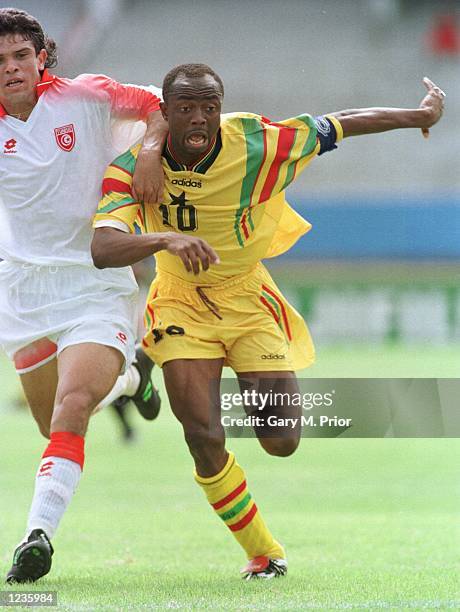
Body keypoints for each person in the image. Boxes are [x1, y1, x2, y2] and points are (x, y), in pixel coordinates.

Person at [91, 64, 445, 579]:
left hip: (246, 297)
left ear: (221, 107)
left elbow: (340, 122)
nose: (200, 118)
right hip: (180, 300)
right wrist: (165, 239)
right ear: (162, 115)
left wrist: (417, 115)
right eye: (185, 108)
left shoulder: (257, 141)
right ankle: (264, 552)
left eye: (209, 107)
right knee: (204, 435)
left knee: (281, 439)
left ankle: (149, 362)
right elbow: (103, 248)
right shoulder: (132, 167)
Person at [0, 7, 168, 584]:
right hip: (22, 291)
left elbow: (155, 105)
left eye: (21, 56)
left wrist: (148, 152)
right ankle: (132, 377)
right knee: (53, 424)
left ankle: (36, 536)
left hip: (92, 281)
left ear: (41, 57)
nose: (11, 69)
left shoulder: (85, 96)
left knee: (72, 407)